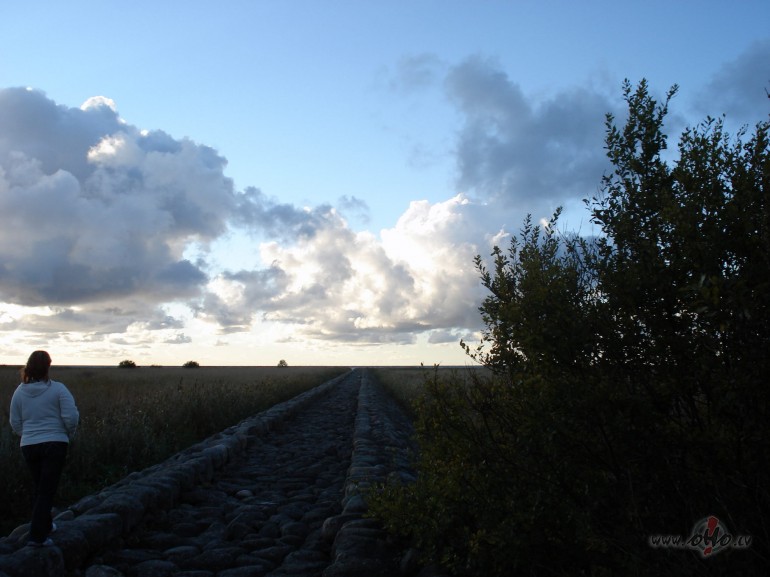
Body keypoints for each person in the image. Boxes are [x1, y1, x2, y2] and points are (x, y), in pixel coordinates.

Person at [9, 350, 79, 547]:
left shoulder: (19, 392)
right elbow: (71, 417)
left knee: (40, 487)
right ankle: (37, 537)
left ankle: (45, 525)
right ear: (48, 366)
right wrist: (67, 434)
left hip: (29, 446)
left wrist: (28, 435)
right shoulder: (58, 389)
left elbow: (15, 422)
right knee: (46, 489)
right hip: (55, 443)